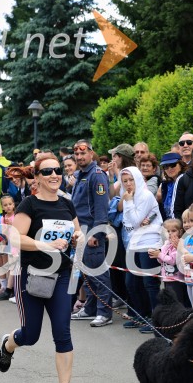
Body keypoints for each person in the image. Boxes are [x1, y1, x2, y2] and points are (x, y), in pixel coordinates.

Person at [0, 153, 86, 383]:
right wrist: (44, 244)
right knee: (31, 335)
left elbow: (76, 231)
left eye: (57, 170)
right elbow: (15, 238)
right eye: (47, 172)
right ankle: (9, 344)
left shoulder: (67, 204)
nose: (54, 175)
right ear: (36, 178)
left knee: (63, 332)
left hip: (62, 275)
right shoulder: (29, 205)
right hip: (32, 277)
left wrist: (77, 236)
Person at [70, 140, 114, 328]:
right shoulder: (80, 174)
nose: (79, 157)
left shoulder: (97, 175)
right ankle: (90, 309)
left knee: (98, 273)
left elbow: (102, 207)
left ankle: (105, 313)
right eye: (77, 154)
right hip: (80, 232)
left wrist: (97, 234)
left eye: (83, 153)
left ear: (91, 153)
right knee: (87, 273)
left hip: (92, 232)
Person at [119, 166, 163, 332]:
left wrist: (129, 204)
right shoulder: (127, 196)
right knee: (131, 282)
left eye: (131, 180)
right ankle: (141, 314)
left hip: (149, 242)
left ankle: (156, 318)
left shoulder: (144, 195)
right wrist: (134, 217)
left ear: (137, 179)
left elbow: (135, 220)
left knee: (149, 283)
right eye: (125, 181)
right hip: (134, 243)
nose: (128, 184)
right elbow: (128, 222)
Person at [153, 219, 187, 307]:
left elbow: (173, 260)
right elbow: (161, 261)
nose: (170, 233)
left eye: (173, 231)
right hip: (166, 277)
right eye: (167, 231)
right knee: (170, 302)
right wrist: (157, 255)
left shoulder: (178, 244)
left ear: (180, 231)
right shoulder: (166, 244)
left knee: (178, 301)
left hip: (176, 278)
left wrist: (159, 254)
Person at [157, 152, 184, 219]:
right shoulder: (165, 184)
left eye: (173, 165)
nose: (169, 169)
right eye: (166, 166)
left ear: (180, 164)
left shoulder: (185, 181)